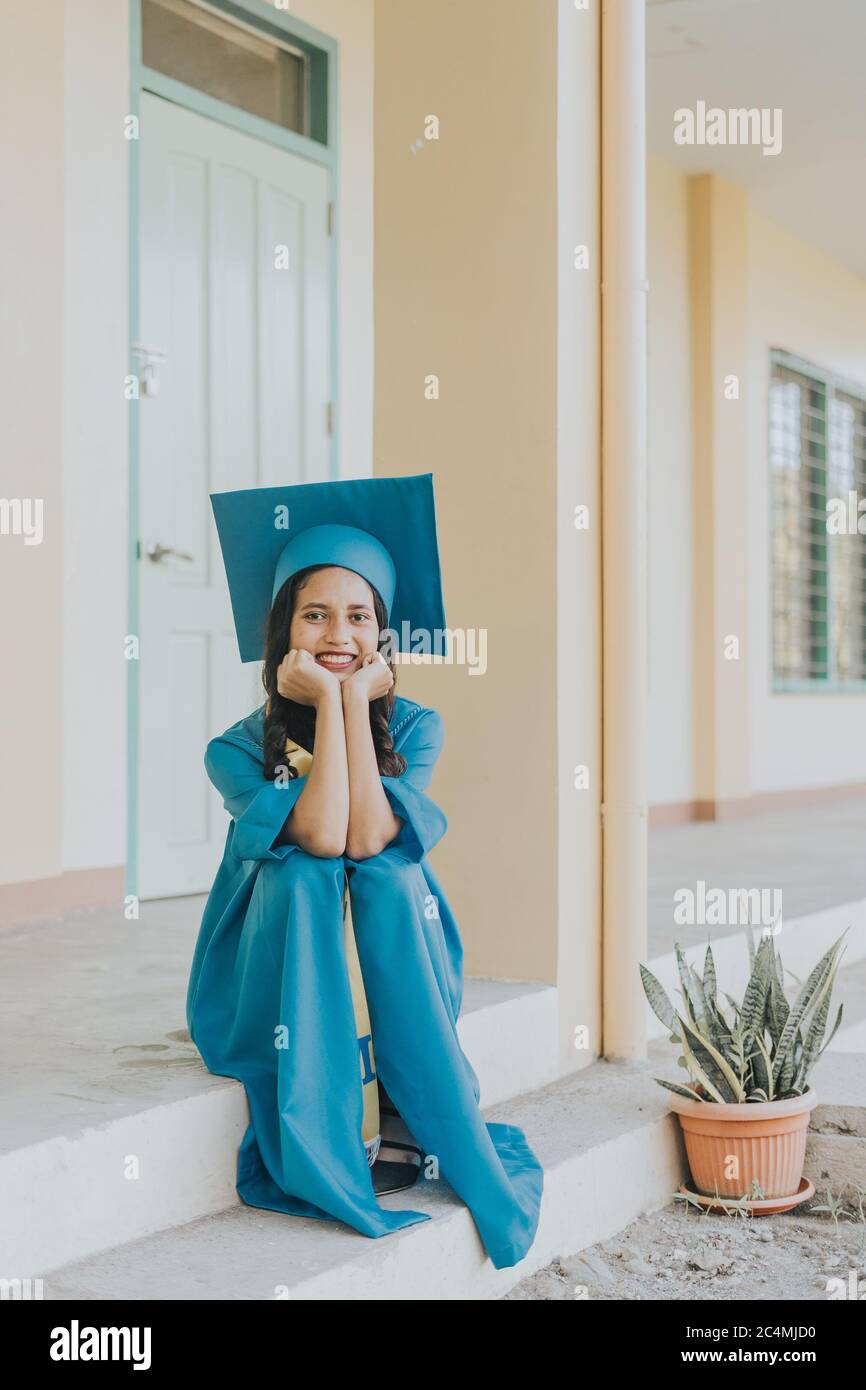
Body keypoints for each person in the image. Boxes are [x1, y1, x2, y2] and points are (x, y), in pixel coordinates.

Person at [186, 472, 543, 1271]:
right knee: (304, 876)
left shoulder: (418, 724)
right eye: (314, 615)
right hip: (264, 969)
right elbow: (319, 837)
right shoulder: (235, 749)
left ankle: (410, 1106)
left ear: (383, 634)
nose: (337, 632)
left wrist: (347, 705)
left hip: (389, 929)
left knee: (383, 875)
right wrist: (339, 700)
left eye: (358, 616)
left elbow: (369, 836)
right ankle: (331, 1122)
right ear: (284, 631)